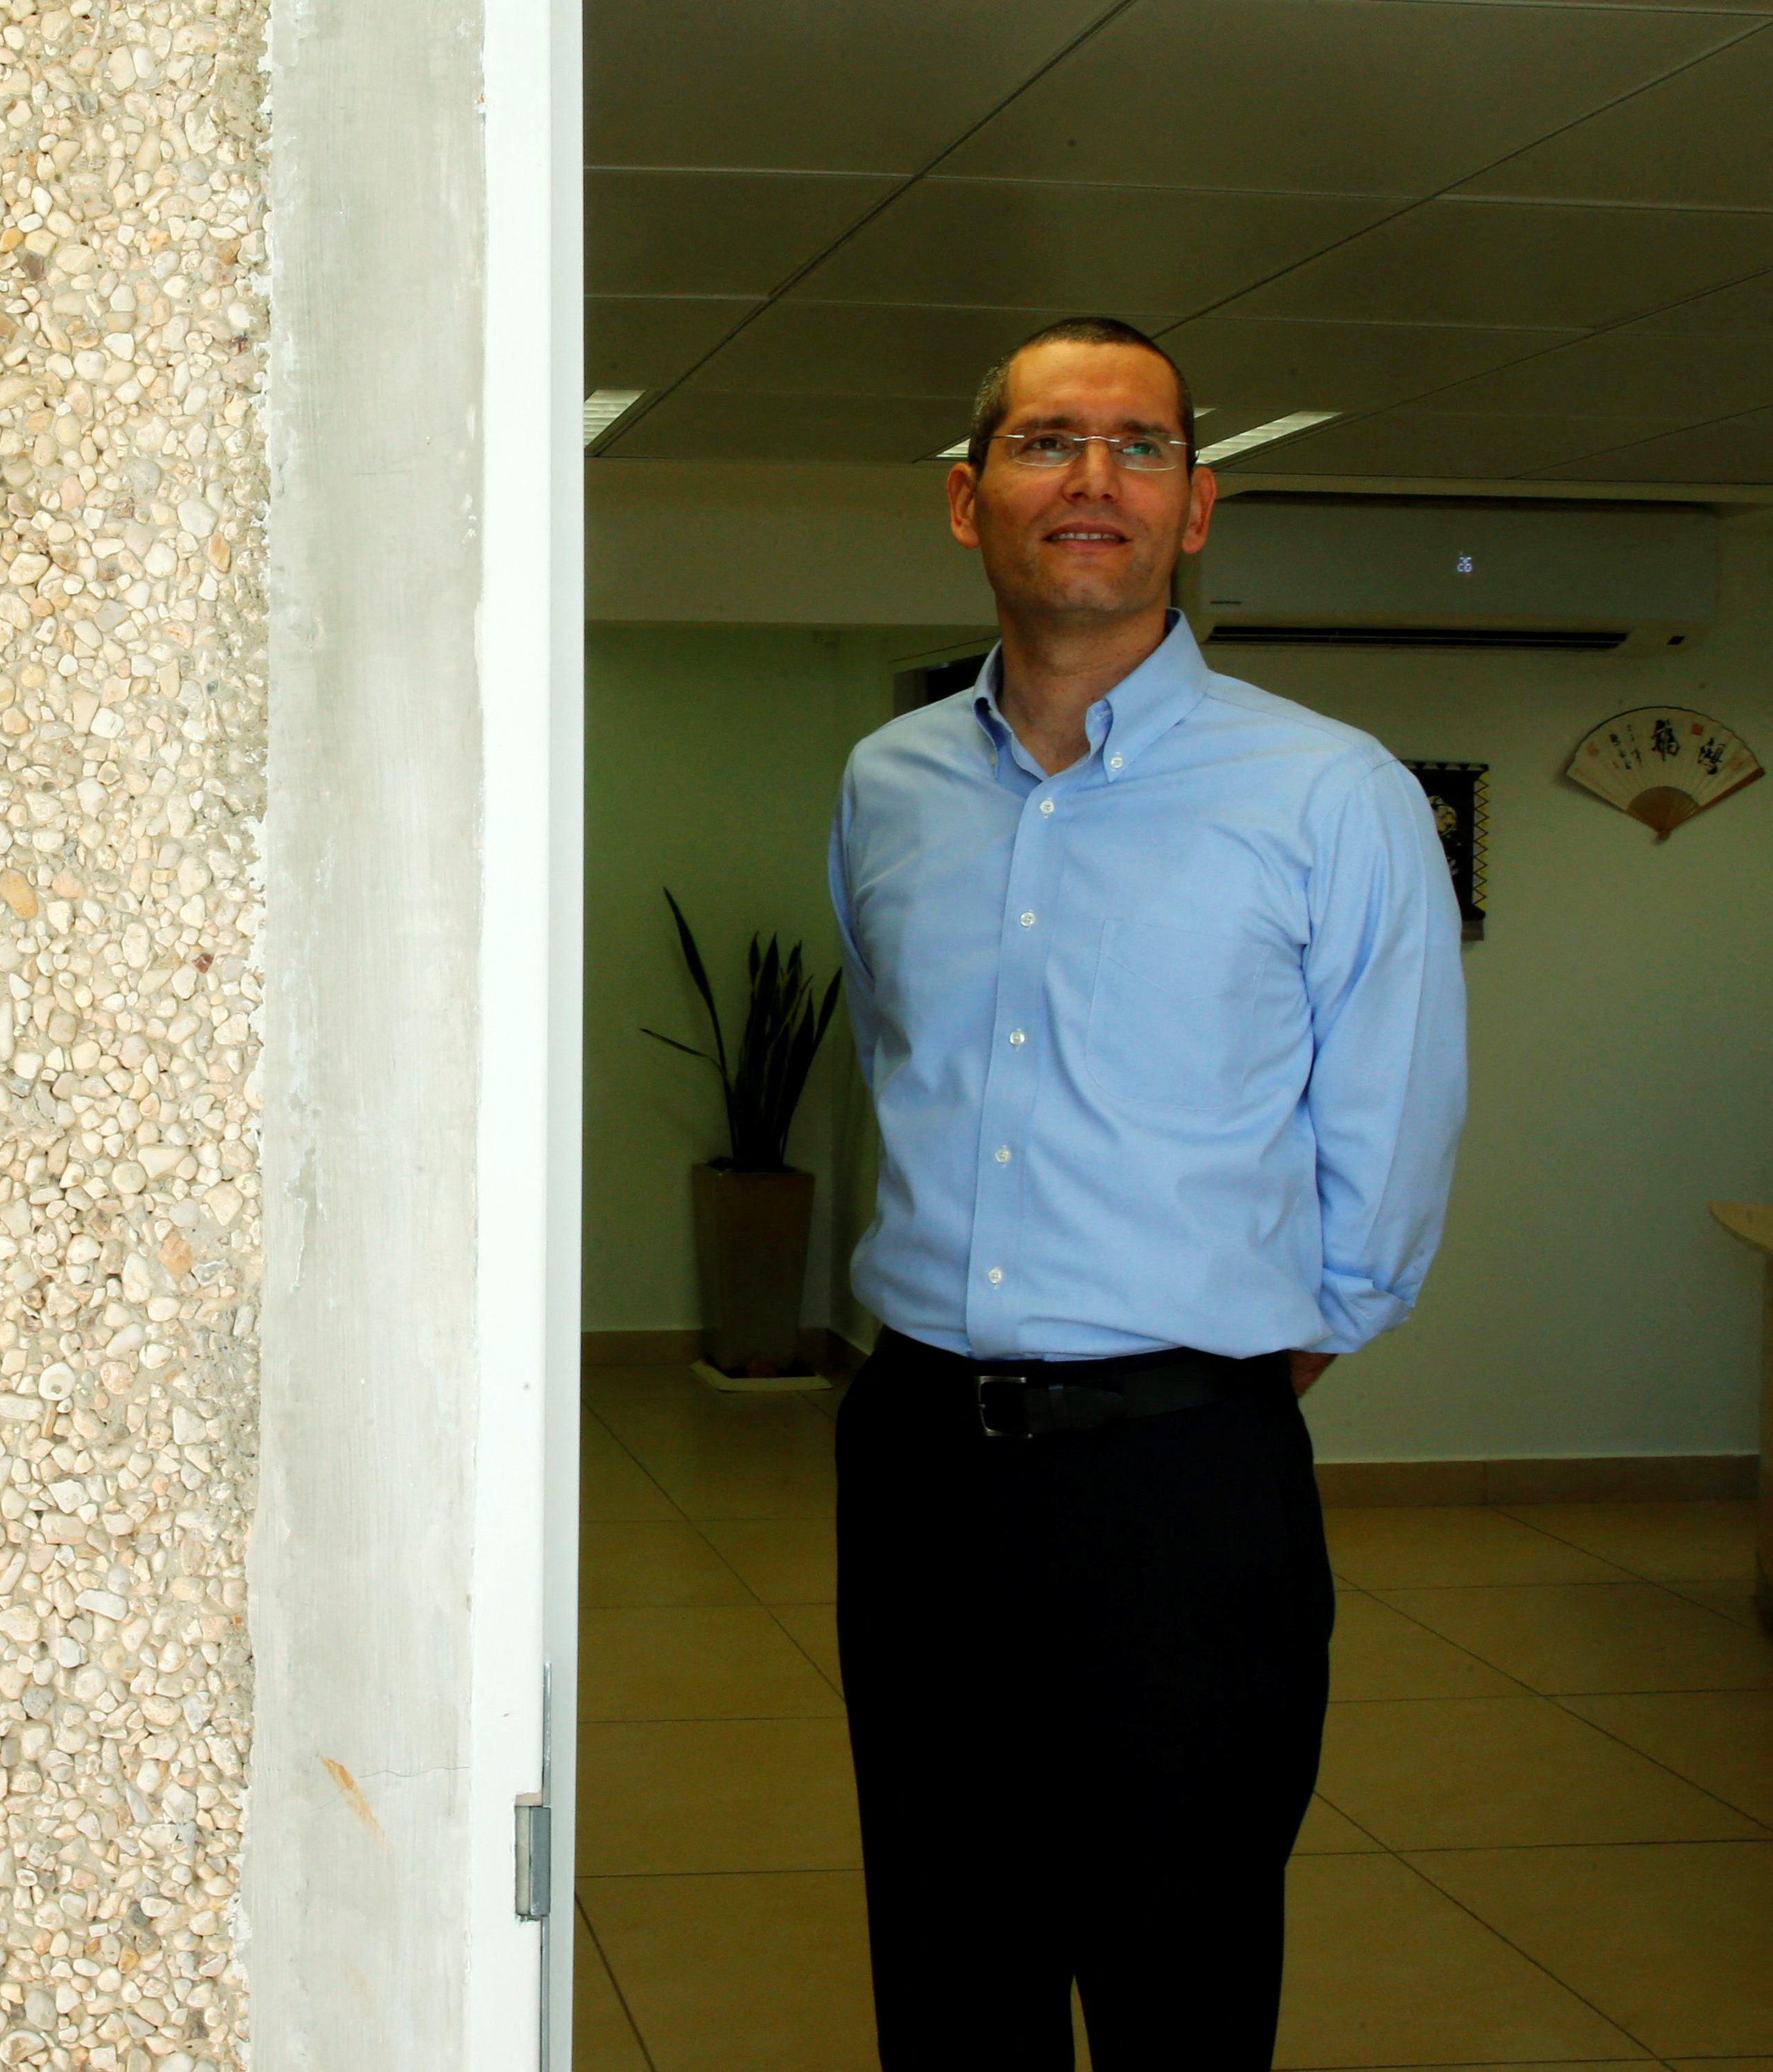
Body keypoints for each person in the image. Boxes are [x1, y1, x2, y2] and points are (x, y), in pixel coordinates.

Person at [824, 316, 1468, 2070]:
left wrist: (1208, 1390)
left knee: (1179, 1971)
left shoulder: (1327, 794)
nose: (1090, 478)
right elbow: (907, 1069)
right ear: (970, 504)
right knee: (948, 1962)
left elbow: (1387, 1156)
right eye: (1045, 443)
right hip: (917, 1468)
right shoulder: (887, 789)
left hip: (1184, 1487)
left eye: (1138, 446)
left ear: (1195, 509)